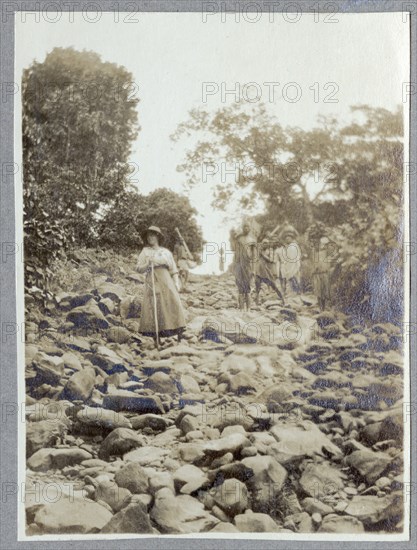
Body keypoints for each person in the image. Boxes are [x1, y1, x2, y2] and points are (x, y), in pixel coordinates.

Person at [136, 226, 186, 347]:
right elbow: (138, 268)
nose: (150, 238)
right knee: (155, 306)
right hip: (152, 280)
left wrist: (176, 282)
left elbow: (173, 269)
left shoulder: (166, 252)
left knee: (173, 302)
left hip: (166, 279)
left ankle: (180, 333)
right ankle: (156, 338)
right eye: (148, 236)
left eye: (153, 235)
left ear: (158, 237)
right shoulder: (145, 252)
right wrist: (147, 263)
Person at [254, 233, 285, 306]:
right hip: (258, 270)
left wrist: (264, 255)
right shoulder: (259, 251)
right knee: (257, 286)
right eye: (264, 243)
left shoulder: (270, 251)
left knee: (274, 285)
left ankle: (282, 299)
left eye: (266, 243)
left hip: (266, 271)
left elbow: (272, 260)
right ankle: (256, 302)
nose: (265, 244)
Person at [231, 223, 256, 310]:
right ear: (242, 228)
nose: (246, 228)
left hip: (248, 264)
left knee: (248, 287)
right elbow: (234, 251)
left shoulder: (252, 240)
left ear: (250, 228)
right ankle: (241, 309)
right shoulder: (239, 239)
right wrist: (234, 266)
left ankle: (248, 309)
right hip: (239, 263)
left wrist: (253, 269)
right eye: (245, 227)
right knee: (240, 287)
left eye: (248, 227)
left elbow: (254, 255)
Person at [276, 227, 302, 299]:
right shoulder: (287, 247)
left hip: (295, 265)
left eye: (289, 238)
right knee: (290, 279)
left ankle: (297, 292)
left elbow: (298, 255)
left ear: (291, 238)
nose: (287, 239)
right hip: (289, 265)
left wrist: (296, 263)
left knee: (295, 278)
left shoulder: (294, 245)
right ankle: (292, 292)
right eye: (286, 239)